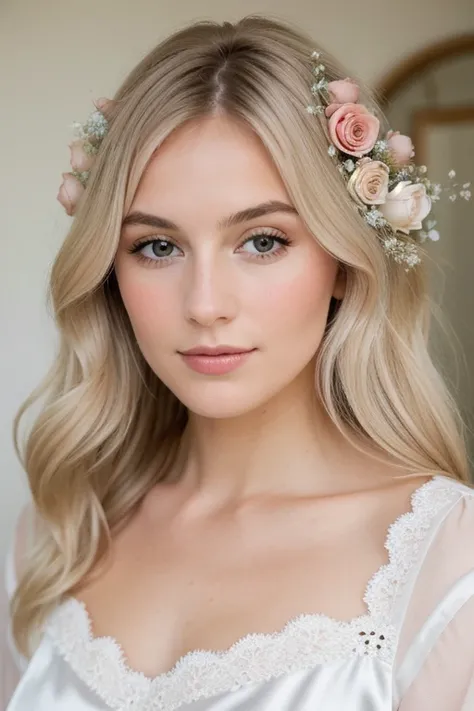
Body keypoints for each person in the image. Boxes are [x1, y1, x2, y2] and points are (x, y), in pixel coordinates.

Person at [2, 14, 474, 711]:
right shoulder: (56, 535)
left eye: (261, 240)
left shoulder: (449, 564)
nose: (205, 304)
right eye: (157, 247)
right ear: (109, 269)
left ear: (344, 263)